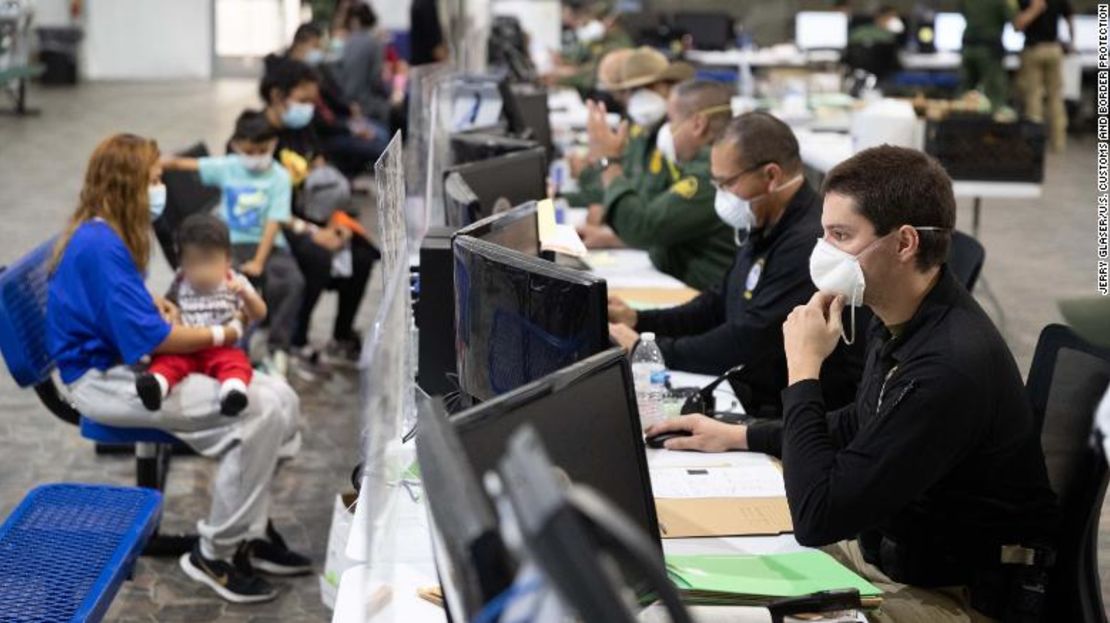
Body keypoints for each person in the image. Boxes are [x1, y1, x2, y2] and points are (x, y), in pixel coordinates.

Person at [645, 145, 1059, 622]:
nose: (823, 251)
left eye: (841, 235)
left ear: (904, 244)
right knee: (707, 561)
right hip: (894, 554)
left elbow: (818, 517)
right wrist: (741, 434)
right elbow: (863, 421)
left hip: (957, 598)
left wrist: (803, 370)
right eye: (824, 232)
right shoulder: (899, 312)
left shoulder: (948, 366)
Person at [46, 134, 307, 604]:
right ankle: (217, 552)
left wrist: (156, 302)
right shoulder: (100, 246)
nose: (160, 186)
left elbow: (129, 305)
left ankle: (248, 531)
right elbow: (157, 340)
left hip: (126, 364)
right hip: (102, 381)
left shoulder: (106, 232)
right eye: (153, 179)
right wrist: (224, 335)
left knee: (282, 396)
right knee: (260, 411)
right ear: (128, 185)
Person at [609, 112, 865, 414]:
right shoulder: (764, 222)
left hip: (792, 416)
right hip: (753, 397)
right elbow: (717, 303)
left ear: (771, 176)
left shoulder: (808, 243)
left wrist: (649, 352)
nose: (721, 195)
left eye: (726, 183)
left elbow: (748, 339)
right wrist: (640, 321)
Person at [163, 111, 305, 377]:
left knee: (290, 282)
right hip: (231, 246)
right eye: (250, 151)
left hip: (269, 245)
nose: (256, 156)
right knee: (227, 287)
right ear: (237, 145)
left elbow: (274, 221)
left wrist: (259, 262)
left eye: (263, 150)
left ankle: (278, 347)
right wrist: (159, 163)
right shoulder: (228, 166)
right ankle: (237, 348)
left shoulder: (279, 177)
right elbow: (187, 166)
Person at [260, 60, 378, 365]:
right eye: (303, 101)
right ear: (277, 95)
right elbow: (265, 209)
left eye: (312, 101)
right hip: (273, 227)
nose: (309, 108)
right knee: (316, 255)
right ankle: (294, 339)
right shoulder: (256, 140)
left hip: (310, 217)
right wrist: (313, 231)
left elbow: (319, 174)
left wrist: (332, 221)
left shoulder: (302, 129)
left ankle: (342, 335)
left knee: (363, 254)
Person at [583, 80, 736, 291]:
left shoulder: (709, 175)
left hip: (704, 301)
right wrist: (613, 239)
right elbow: (668, 228)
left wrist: (608, 161)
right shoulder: (698, 164)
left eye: (672, 121)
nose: (667, 131)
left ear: (698, 125)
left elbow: (642, 226)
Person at [136, 215, 267, 417]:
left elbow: (259, 313)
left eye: (210, 262)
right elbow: (169, 304)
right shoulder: (181, 280)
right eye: (194, 263)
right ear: (181, 262)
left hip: (220, 348)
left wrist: (246, 295)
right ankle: (156, 386)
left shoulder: (235, 281)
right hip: (186, 345)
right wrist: (169, 312)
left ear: (227, 260)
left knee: (236, 364)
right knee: (166, 362)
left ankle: (232, 393)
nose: (203, 272)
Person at [572, 47, 696, 246]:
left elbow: (673, 224)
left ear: (671, 86)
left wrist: (614, 237)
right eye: (632, 90)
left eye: (650, 87)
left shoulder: (687, 142)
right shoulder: (641, 134)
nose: (641, 98)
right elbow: (635, 191)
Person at [280, 23, 390, 176]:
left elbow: (332, 100)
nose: (319, 51)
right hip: (328, 133)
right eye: (316, 46)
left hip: (335, 124)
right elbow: (319, 124)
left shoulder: (317, 70)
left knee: (380, 133)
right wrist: (351, 129)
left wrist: (350, 116)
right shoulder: (289, 76)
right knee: (379, 144)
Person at [959, 0, 1046, 114]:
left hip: (968, 49)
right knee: (995, 96)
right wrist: (1035, 9)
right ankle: (991, 129)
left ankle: (960, 127)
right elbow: (1017, 25)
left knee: (965, 96)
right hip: (989, 53)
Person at [1016, 0, 1074, 152]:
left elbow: (1018, 25)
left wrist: (1035, 10)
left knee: (1033, 97)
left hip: (1034, 49)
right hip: (1054, 49)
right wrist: (1071, 42)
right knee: (1055, 98)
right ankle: (1058, 143)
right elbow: (1070, 20)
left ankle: (1034, 144)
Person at [547, 0, 633, 96]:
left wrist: (562, 78)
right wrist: (565, 62)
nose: (595, 23)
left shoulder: (617, 44)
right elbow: (584, 61)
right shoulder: (602, 39)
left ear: (611, 20)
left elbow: (594, 74)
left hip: (609, 94)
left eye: (599, 19)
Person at [336, 4, 396, 131]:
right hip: (367, 104)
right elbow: (376, 80)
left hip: (346, 103)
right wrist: (391, 94)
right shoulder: (375, 44)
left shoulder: (346, 43)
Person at [410, 0, 447, 65]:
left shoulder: (418, 3)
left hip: (419, 61)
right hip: (427, 64)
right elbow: (434, 47)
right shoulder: (426, 4)